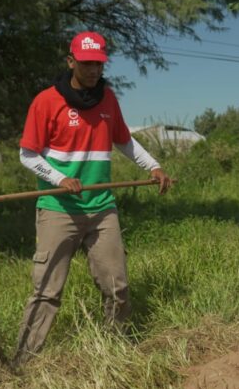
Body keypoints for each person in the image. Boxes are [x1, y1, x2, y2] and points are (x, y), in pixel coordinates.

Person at [13, 31, 172, 365]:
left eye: (98, 64)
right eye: (86, 63)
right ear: (71, 61)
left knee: (117, 287)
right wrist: (60, 179)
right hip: (59, 209)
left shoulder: (108, 99)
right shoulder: (47, 101)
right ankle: (22, 363)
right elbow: (28, 155)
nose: (93, 70)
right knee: (47, 292)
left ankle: (112, 352)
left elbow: (124, 141)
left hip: (101, 209)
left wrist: (153, 166)